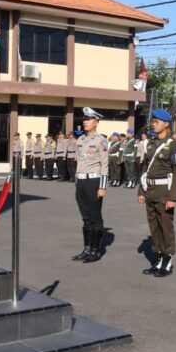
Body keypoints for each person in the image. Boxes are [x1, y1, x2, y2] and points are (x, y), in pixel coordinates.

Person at [138, 109, 176, 277]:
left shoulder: (174, 145)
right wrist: (141, 191)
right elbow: (144, 168)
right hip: (150, 190)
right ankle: (157, 259)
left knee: (166, 227)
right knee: (154, 227)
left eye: (157, 121)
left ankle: (167, 260)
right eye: (153, 121)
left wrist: (173, 198)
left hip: (164, 192)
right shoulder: (150, 143)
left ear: (166, 124)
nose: (153, 123)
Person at [72, 107, 109, 263]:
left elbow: (104, 164)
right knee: (86, 218)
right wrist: (77, 182)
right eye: (84, 119)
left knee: (95, 217)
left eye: (88, 119)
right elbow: (79, 162)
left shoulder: (101, 140)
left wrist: (102, 186)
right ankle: (86, 249)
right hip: (81, 181)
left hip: (94, 182)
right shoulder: (80, 140)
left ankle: (95, 250)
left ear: (96, 122)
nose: (85, 122)